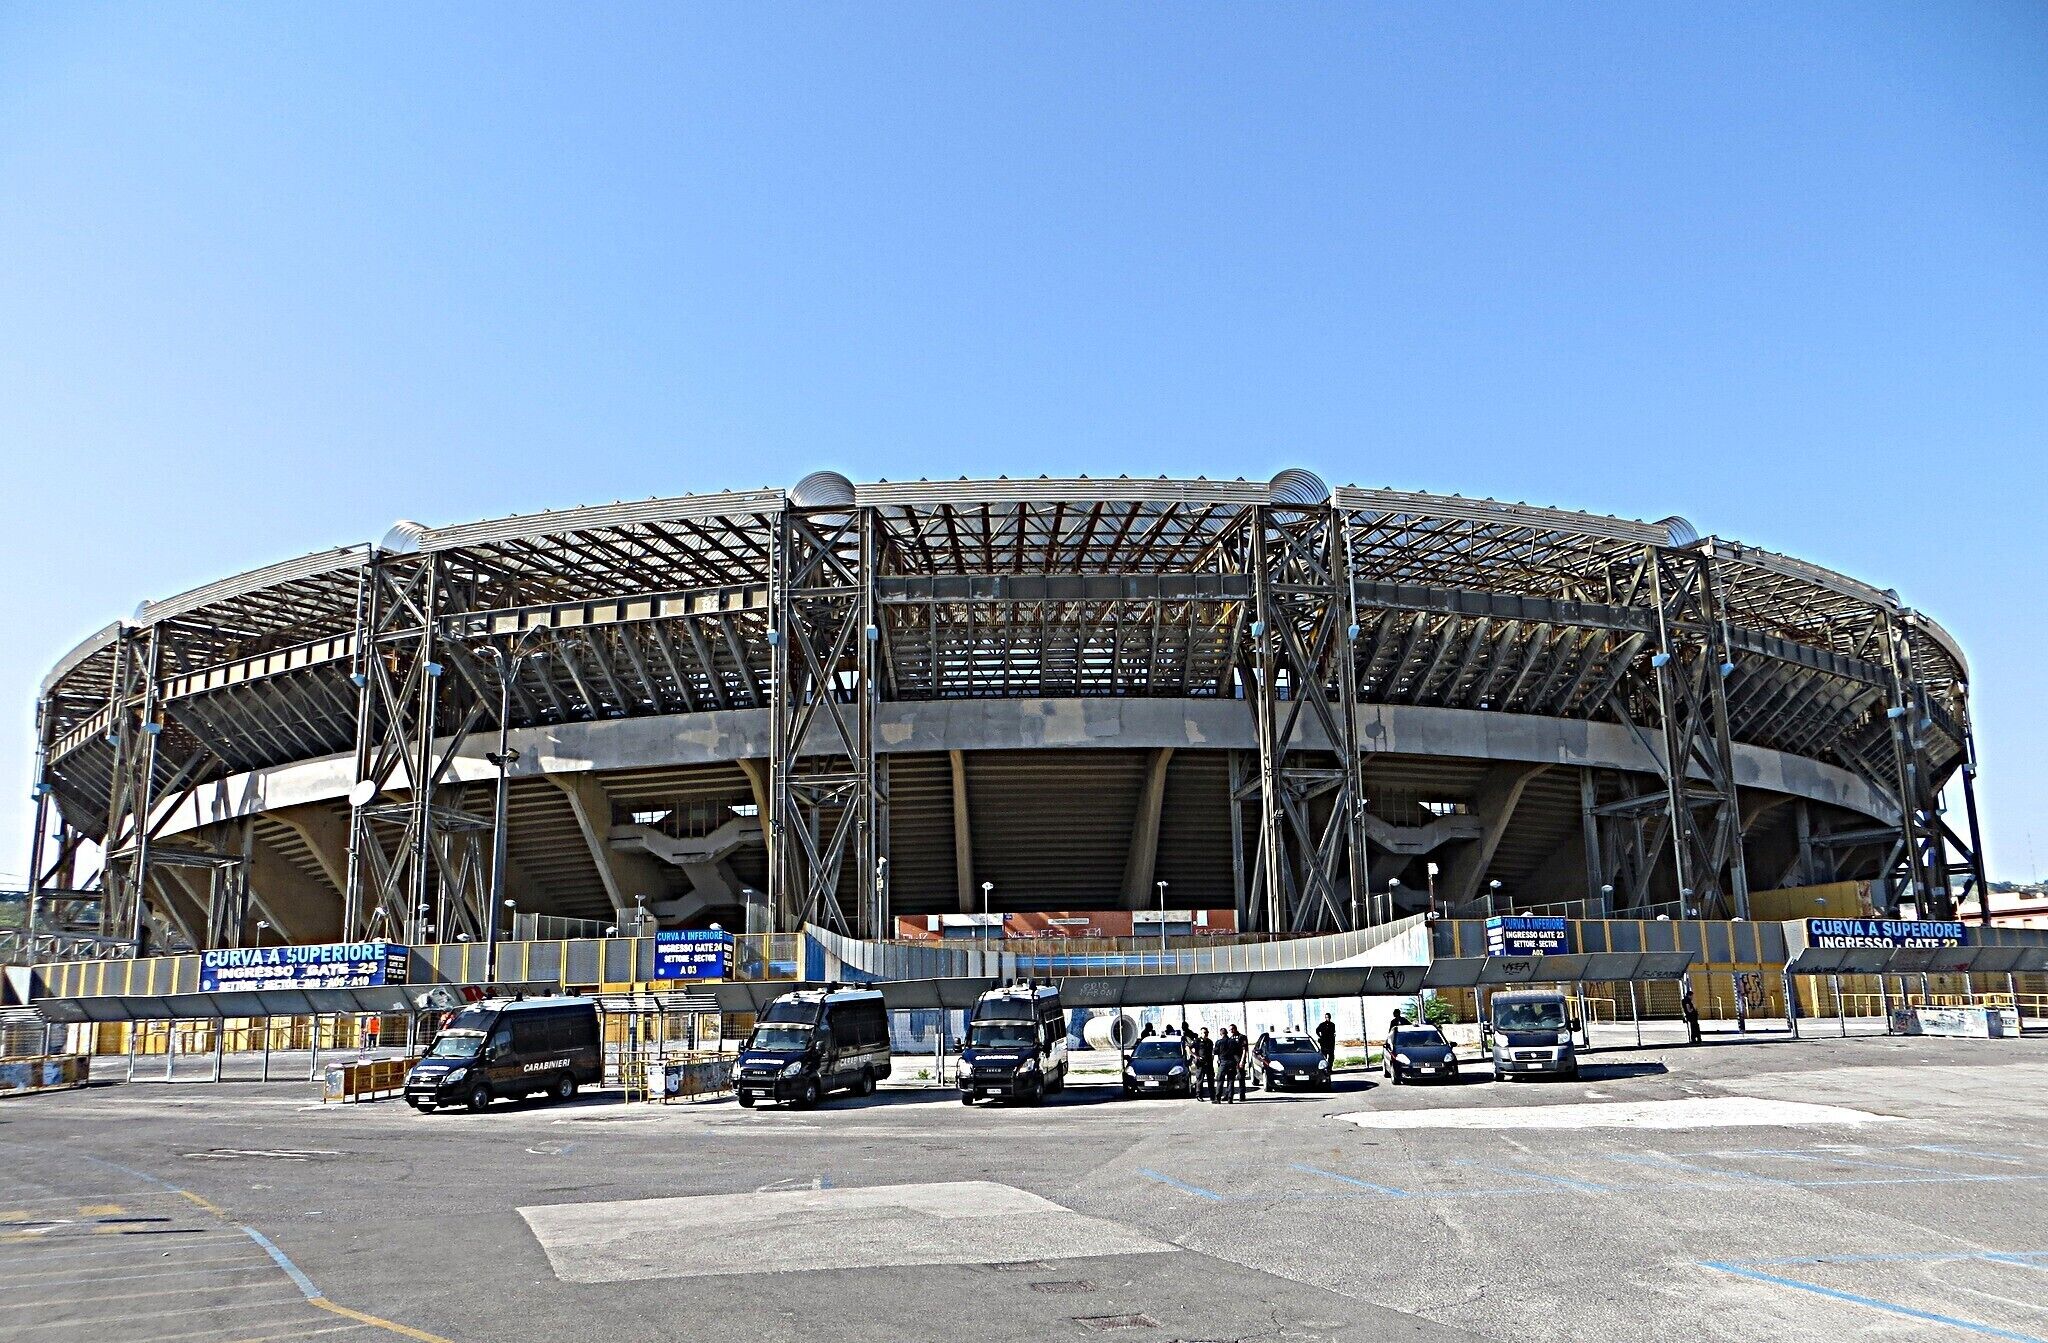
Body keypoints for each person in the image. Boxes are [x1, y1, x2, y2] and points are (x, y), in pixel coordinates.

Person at [1192, 1027, 1216, 1100]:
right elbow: (1188, 1048)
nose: (1206, 1034)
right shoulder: (1197, 1041)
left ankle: (1212, 1096)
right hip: (1201, 1064)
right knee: (1200, 1080)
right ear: (1201, 1033)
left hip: (1209, 1063)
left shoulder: (1210, 1042)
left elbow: (1212, 1051)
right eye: (1204, 1032)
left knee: (1211, 1080)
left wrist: (1212, 1056)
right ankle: (1199, 1095)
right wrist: (1196, 1056)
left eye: (1207, 1032)